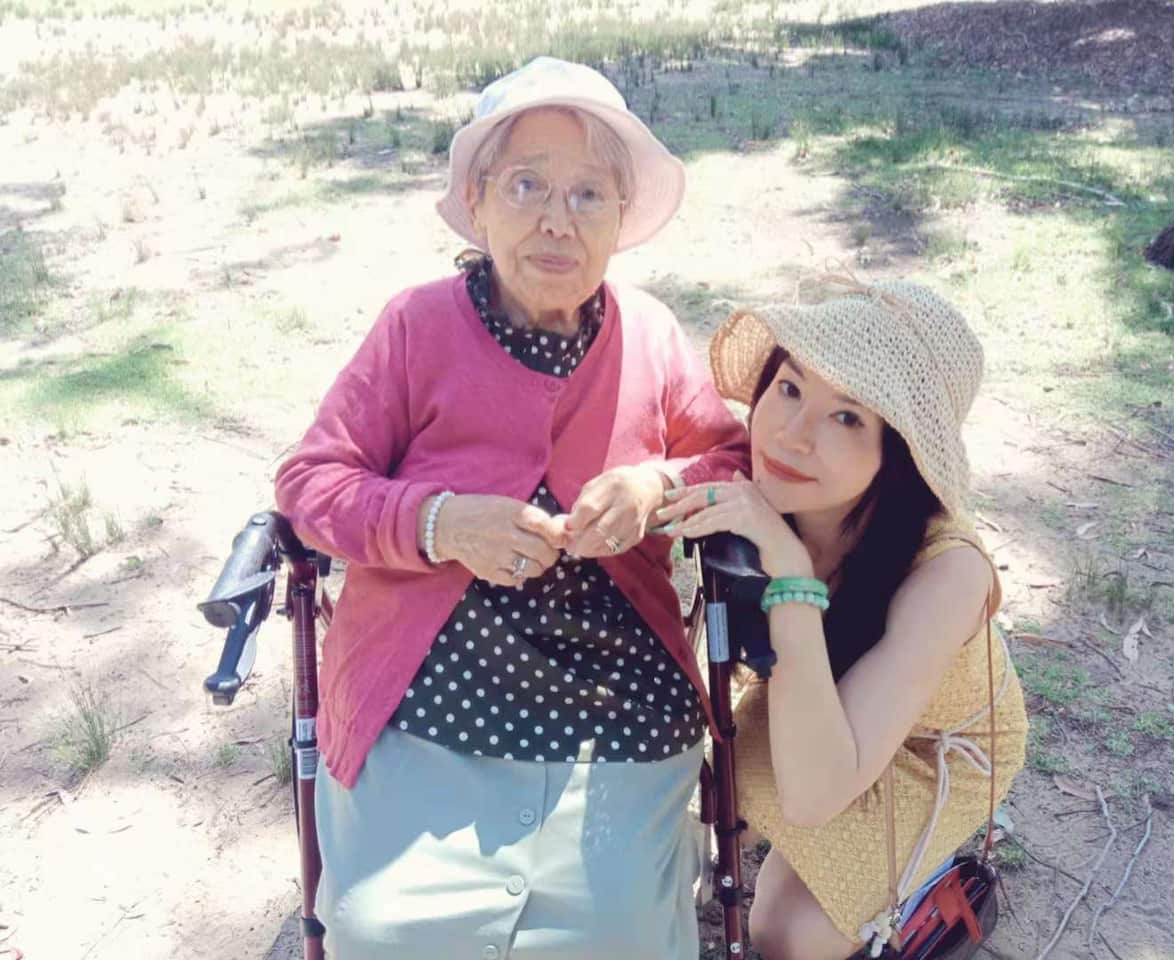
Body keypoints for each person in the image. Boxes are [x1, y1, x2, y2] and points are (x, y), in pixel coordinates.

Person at [274, 56, 749, 960]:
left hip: (619, 688)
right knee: (385, 932)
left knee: (621, 936)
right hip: (427, 690)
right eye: (527, 185)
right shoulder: (416, 325)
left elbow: (734, 456)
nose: (554, 220)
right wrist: (439, 522)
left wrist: (658, 488)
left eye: (586, 195)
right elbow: (309, 484)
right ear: (480, 201)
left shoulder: (649, 334)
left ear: (620, 220)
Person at [652, 274, 1028, 959]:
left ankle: (925, 877)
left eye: (848, 416)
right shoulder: (769, 487)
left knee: (785, 933)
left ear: (900, 452)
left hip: (931, 750)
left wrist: (791, 574)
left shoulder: (948, 571)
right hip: (826, 704)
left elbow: (814, 794)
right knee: (711, 827)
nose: (792, 436)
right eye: (790, 388)